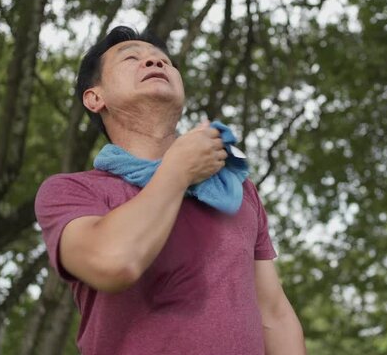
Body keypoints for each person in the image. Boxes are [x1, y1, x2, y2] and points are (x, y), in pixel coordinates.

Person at [34, 26, 305, 355]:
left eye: (163, 60)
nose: (153, 63)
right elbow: (113, 261)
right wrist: (178, 169)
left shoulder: (236, 190)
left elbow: (274, 314)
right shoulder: (70, 191)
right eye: (131, 58)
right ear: (95, 98)